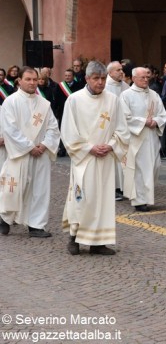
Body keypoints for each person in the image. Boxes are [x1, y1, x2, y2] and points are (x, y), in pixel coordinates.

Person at [61, 61, 130, 255]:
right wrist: (89, 148)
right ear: (87, 79)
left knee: (103, 200)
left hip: (105, 157)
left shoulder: (113, 100)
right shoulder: (74, 100)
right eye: (96, 78)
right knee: (82, 198)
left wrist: (111, 145)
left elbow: (122, 129)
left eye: (102, 78)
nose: (100, 82)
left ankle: (98, 242)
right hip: (84, 159)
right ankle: (74, 238)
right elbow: (68, 131)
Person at [0, 67, 60, 238]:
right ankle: (5, 218)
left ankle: (36, 225)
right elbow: (9, 130)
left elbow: (53, 128)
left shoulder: (44, 104)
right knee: (13, 188)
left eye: (35, 79)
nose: (32, 83)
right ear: (19, 80)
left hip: (40, 154)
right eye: (28, 79)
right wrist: (29, 147)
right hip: (19, 154)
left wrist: (44, 145)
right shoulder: (10, 102)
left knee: (39, 190)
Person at [120, 67, 166, 212]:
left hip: (152, 138)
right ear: (134, 78)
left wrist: (157, 121)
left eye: (147, 77)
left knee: (154, 167)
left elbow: (162, 114)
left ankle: (147, 198)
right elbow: (124, 117)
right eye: (142, 78)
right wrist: (143, 122)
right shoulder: (126, 95)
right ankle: (139, 200)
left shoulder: (154, 95)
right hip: (136, 138)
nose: (146, 80)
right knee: (139, 170)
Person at [105, 61, 130, 201]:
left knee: (123, 159)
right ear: (110, 72)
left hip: (124, 128)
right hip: (110, 128)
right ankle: (112, 188)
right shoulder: (105, 87)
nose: (121, 72)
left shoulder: (125, 86)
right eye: (118, 70)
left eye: (122, 69)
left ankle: (123, 187)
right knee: (112, 160)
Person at [53, 68, 85, 157]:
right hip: (63, 112)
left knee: (76, 130)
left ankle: (76, 148)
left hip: (76, 112)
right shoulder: (59, 86)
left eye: (69, 76)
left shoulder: (79, 86)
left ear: (73, 77)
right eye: (66, 75)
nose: (67, 77)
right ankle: (62, 149)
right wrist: (56, 112)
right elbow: (56, 99)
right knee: (63, 130)